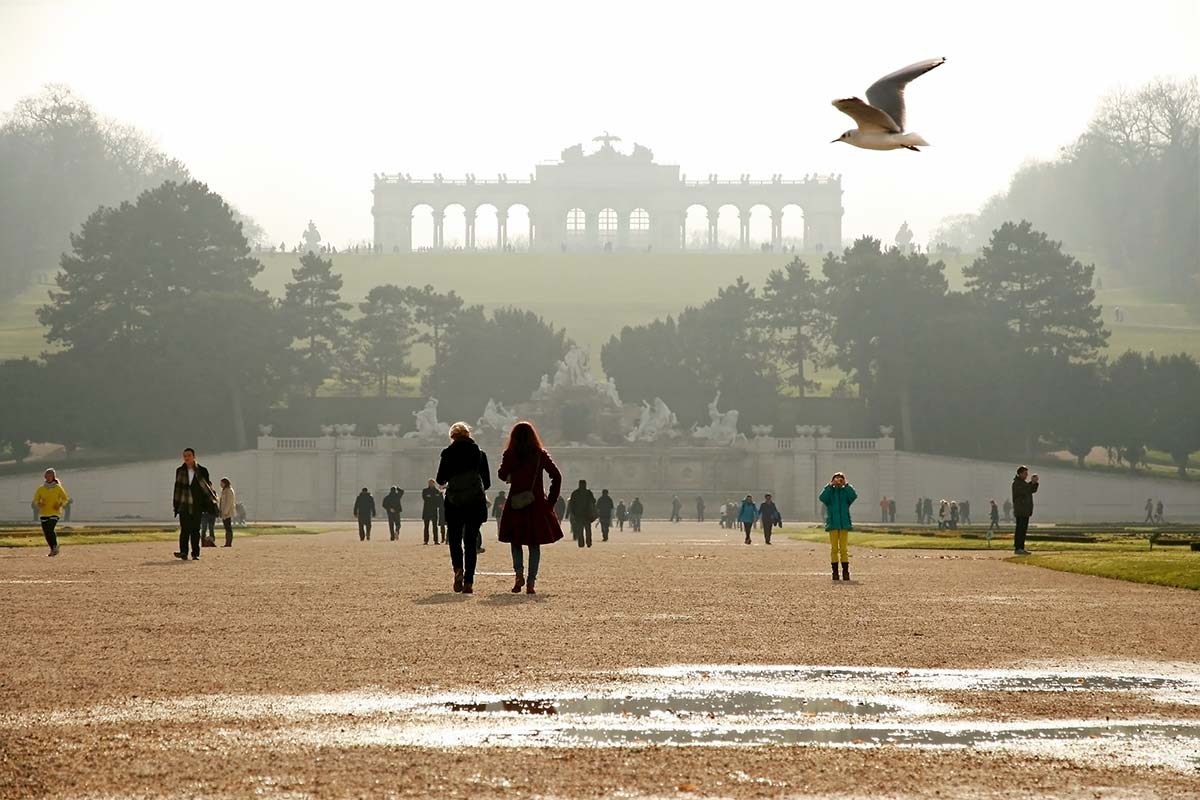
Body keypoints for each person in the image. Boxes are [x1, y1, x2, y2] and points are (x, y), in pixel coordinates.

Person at [498, 421, 563, 594]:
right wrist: (551, 501)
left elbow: (502, 474)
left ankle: (518, 572)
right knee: (534, 544)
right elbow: (557, 476)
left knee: (516, 540)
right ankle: (531, 582)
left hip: (516, 503)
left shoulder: (510, 453)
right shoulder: (540, 454)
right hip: (536, 504)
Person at [435, 422, 491, 594]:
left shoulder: (448, 454)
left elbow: (440, 480)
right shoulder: (480, 454)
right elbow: (487, 483)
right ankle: (469, 582)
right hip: (474, 502)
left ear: (452, 436)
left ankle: (458, 569)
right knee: (470, 542)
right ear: (468, 435)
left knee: (454, 540)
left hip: (454, 502)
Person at [173, 448, 218, 561]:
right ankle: (183, 552)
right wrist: (176, 505)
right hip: (184, 505)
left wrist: (210, 504)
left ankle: (195, 553)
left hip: (197, 505)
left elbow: (207, 488)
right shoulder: (180, 470)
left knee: (195, 530)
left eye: (189, 455)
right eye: (185, 456)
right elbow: (177, 489)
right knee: (184, 530)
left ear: (194, 456)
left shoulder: (202, 471)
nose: (186, 458)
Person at [819, 471, 858, 581]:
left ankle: (846, 572)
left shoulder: (845, 492)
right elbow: (822, 498)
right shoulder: (830, 493)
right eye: (836, 479)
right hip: (833, 524)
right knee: (834, 549)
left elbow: (854, 496)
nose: (838, 481)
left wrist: (846, 485)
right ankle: (835, 572)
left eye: (840, 479)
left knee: (844, 549)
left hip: (844, 524)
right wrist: (830, 486)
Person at [33, 468, 69, 557]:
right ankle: (53, 549)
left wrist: (60, 504)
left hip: (55, 512)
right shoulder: (41, 488)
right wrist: (39, 504)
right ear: (45, 476)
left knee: (50, 528)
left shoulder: (58, 488)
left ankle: (55, 546)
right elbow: (35, 500)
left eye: (50, 476)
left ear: (53, 477)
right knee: (46, 532)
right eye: (47, 475)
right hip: (44, 513)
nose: (49, 477)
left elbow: (65, 499)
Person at [1011, 466, 1039, 556]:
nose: (1027, 475)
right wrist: (1032, 483)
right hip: (1021, 510)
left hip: (1025, 510)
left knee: (1023, 530)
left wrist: (1034, 483)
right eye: (1025, 473)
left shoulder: (1022, 483)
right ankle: (1018, 548)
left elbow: (1032, 490)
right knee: (1020, 530)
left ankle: (1021, 548)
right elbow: (1026, 490)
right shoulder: (1016, 483)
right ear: (1020, 473)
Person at [566, 479, 598, 548]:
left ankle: (581, 543)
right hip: (587, 515)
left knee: (580, 530)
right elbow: (593, 501)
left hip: (578, 515)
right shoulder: (588, 493)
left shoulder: (575, 493)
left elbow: (572, 504)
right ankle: (588, 542)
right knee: (588, 530)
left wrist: (573, 513)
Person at [421, 479, 441, 545]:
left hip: (434, 511)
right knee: (426, 527)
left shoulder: (437, 491)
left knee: (435, 527)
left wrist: (431, 498)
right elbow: (425, 498)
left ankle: (436, 540)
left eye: (432, 483)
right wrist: (433, 498)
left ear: (434, 484)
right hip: (426, 511)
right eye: (429, 483)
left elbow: (438, 501)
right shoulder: (425, 491)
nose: (431, 484)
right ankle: (426, 540)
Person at [218, 477, 236, 547]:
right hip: (224, 512)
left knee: (228, 528)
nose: (220, 485)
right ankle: (227, 542)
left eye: (221, 483)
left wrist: (225, 511)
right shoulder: (224, 491)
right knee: (226, 527)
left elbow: (229, 502)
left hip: (227, 513)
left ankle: (228, 543)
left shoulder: (229, 490)